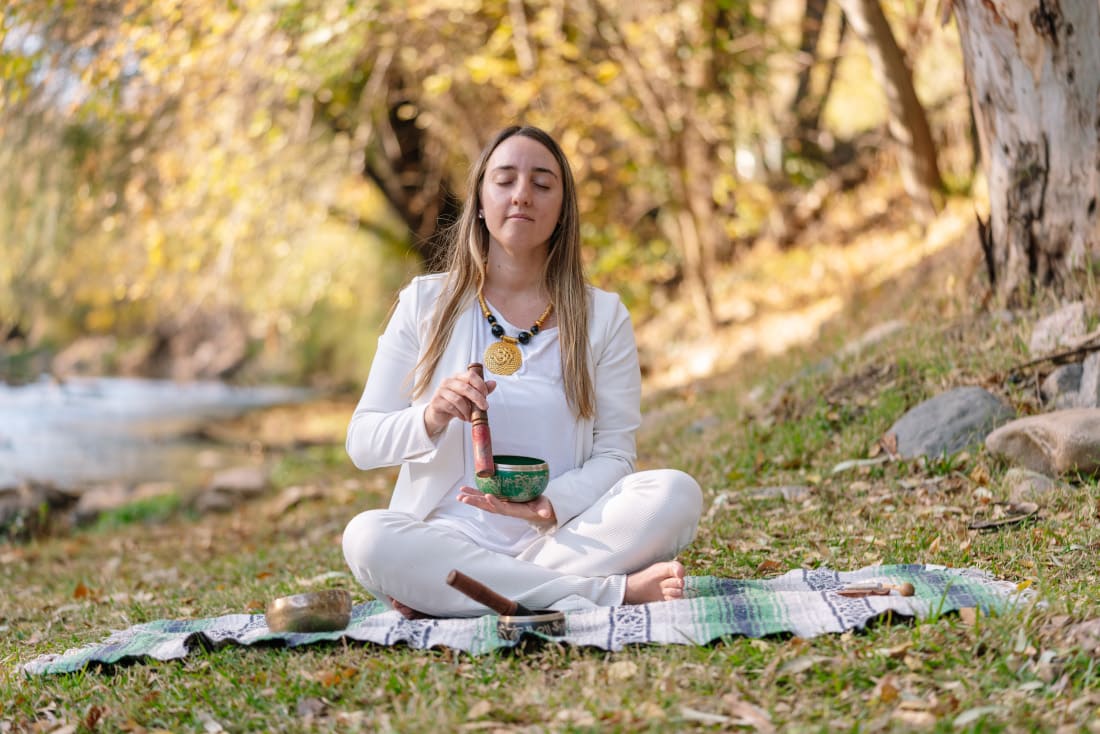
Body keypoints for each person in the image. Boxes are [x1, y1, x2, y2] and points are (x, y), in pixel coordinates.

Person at [342, 125, 702, 618]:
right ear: (480, 200)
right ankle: (605, 594)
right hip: (448, 538)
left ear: (563, 208)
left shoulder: (603, 317)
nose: (522, 195)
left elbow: (616, 456)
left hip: (562, 538)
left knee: (676, 493)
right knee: (367, 536)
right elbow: (362, 441)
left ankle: (461, 595)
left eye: (542, 183)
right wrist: (431, 415)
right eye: (505, 180)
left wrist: (551, 504)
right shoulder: (425, 303)